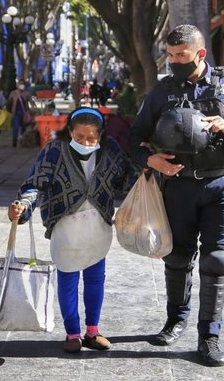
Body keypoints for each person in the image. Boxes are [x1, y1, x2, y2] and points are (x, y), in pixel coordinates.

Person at [128, 24, 224, 367]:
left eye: (182, 55)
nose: (175, 61)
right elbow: (135, 137)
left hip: (221, 187)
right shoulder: (161, 92)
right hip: (177, 187)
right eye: (170, 55)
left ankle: (209, 335)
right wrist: (150, 159)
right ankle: (175, 319)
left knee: (217, 259)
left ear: (200, 53)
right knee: (177, 256)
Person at [7, 107, 137, 354]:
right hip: (66, 229)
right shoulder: (54, 151)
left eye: (91, 138)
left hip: (97, 227)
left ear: (101, 136)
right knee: (68, 280)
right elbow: (35, 184)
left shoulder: (111, 152)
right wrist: (23, 205)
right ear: (69, 132)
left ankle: (92, 331)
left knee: (96, 280)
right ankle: (72, 333)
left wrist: (146, 170)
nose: (85, 142)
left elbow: (127, 180)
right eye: (79, 138)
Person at [8, 80, 32, 147]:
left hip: (24, 113)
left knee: (24, 127)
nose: (22, 85)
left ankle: (23, 140)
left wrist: (34, 109)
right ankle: (14, 142)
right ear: (17, 85)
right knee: (16, 127)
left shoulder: (26, 93)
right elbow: (9, 102)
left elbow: (31, 101)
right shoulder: (13, 93)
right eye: (20, 84)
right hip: (16, 113)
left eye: (23, 84)